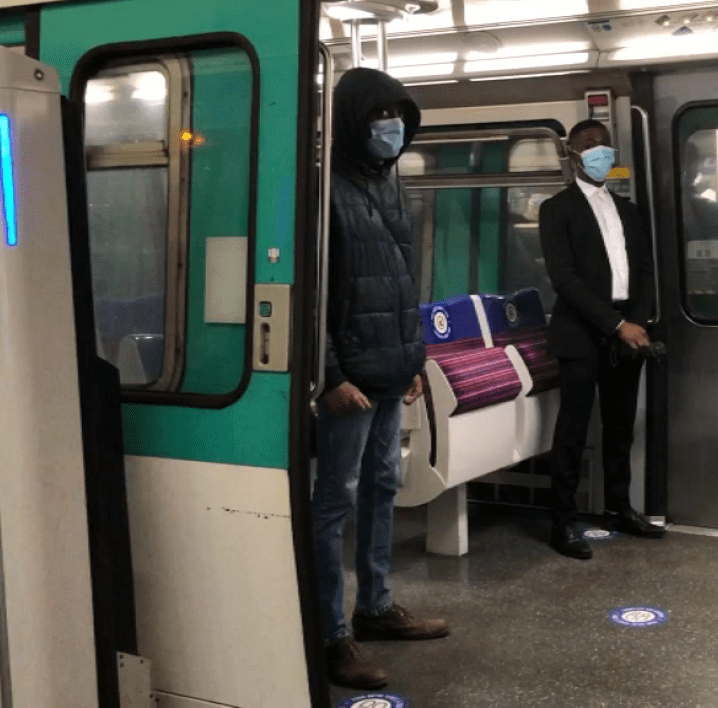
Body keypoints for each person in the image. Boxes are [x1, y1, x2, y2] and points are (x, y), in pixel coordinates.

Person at [313, 67, 448, 690]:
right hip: (350, 382)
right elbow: (315, 292)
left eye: (397, 118)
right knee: (335, 498)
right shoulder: (324, 189)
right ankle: (330, 634)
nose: (390, 128)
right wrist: (329, 375)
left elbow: (401, 283)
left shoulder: (391, 186)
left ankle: (375, 606)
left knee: (382, 487)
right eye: (377, 117)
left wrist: (415, 359)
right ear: (352, 122)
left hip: (392, 372)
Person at [538, 119, 666, 560]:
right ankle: (563, 522)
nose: (601, 152)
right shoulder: (556, 209)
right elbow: (565, 279)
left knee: (620, 427)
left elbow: (645, 271)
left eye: (606, 145)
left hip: (628, 331)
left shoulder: (627, 210)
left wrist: (637, 322)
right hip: (581, 332)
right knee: (572, 430)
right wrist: (615, 325)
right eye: (591, 144)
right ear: (573, 153)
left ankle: (618, 508)